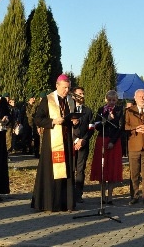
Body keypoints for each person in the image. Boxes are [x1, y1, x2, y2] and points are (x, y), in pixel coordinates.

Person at [31, 75, 79, 212]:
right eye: (64, 87)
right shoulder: (48, 99)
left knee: (67, 172)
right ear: (57, 85)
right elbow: (38, 119)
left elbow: (70, 118)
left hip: (66, 141)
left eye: (68, 88)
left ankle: (66, 203)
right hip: (51, 141)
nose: (66, 90)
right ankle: (48, 203)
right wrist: (52, 121)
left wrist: (75, 121)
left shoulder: (70, 100)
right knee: (51, 172)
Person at [90, 90, 124, 204]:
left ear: (117, 100)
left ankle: (110, 196)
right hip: (102, 140)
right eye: (109, 100)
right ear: (106, 100)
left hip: (114, 141)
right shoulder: (101, 110)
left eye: (114, 100)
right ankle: (102, 195)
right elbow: (97, 126)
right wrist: (106, 120)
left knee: (112, 168)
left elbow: (120, 128)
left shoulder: (120, 110)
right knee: (103, 169)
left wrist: (113, 142)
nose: (111, 102)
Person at [70, 86, 93, 203]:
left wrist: (83, 140)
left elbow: (91, 128)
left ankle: (78, 195)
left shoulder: (88, 110)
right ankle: (69, 194)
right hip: (70, 144)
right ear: (74, 96)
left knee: (80, 170)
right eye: (80, 94)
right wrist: (75, 140)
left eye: (83, 94)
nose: (82, 96)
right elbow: (66, 128)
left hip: (83, 145)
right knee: (70, 169)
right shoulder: (69, 109)